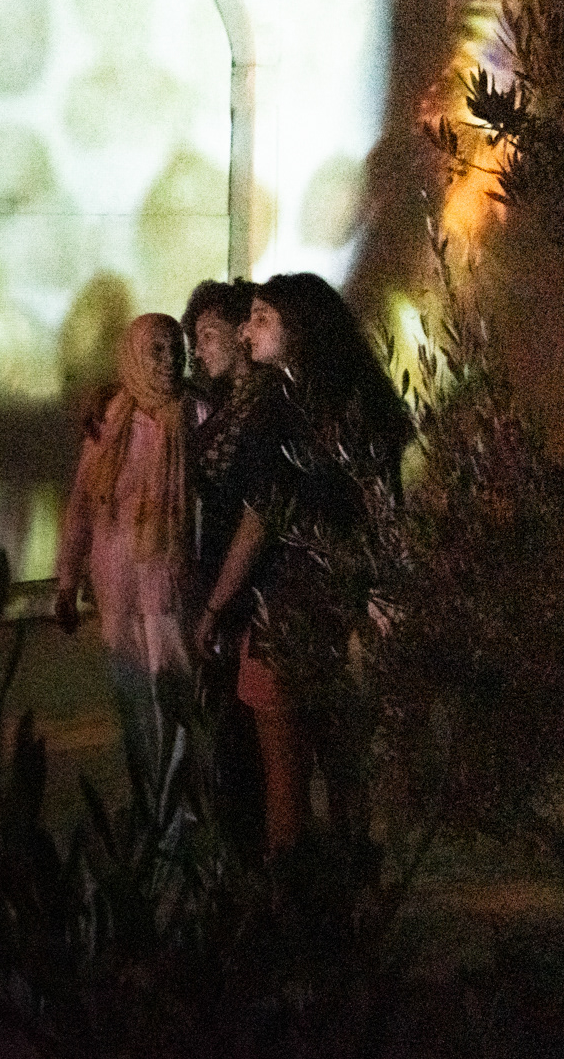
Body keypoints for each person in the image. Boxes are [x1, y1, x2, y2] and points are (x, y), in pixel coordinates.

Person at [197, 272, 410, 854]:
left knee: (284, 774)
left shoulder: (286, 411)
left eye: (261, 318)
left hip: (285, 604)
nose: (245, 330)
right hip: (345, 601)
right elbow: (387, 508)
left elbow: (262, 513)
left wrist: (215, 605)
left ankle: (287, 908)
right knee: (345, 765)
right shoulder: (361, 401)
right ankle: (354, 888)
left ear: (301, 329)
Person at [54, 314, 195, 796]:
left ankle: (177, 808)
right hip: (116, 587)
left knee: (173, 695)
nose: (170, 359)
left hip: (168, 582)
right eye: (156, 349)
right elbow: (81, 506)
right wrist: (67, 582)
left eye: (175, 347)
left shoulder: (192, 415)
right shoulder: (110, 420)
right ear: (134, 354)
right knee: (133, 697)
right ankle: (147, 800)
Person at [180, 279, 266, 861]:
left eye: (208, 334)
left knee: (245, 726)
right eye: (193, 338)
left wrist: (215, 603)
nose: (199, 348)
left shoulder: (260, 409)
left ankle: (253, 852)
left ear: (242, 333)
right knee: (226, 722)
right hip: (217, 578)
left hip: (245, 589)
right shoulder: (221, 408)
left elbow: (255, 515)